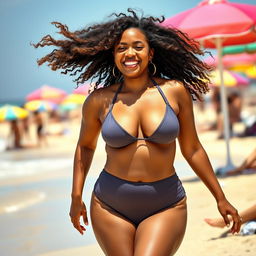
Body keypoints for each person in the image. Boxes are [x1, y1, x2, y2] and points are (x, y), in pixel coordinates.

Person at [34, 9, 242, 256]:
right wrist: (75, 196)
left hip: (165, 204)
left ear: (150, 52)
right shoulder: (99, 100)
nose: (129, 53)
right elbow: (86, 146)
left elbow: (193, 148)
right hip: (110, 205)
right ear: (113, 55)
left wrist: (220, 197)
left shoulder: (175, 91)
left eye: (137, 46)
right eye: (121, 48)